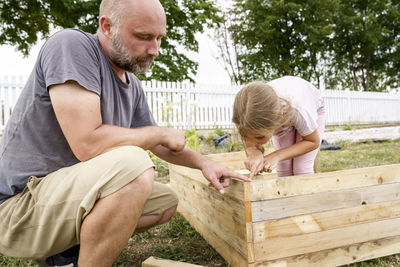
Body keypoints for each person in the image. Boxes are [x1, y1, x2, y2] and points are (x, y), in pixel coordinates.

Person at [0, 0, 250, 266]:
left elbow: (160, 144)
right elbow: (88, 143)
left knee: (164, 202)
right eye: (144, 37)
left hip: (59, 201)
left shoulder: (133, 87)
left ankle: (65, 255)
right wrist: (157, 134)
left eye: (158, 38)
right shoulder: (71, 46)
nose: (154, 50)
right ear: (107, 26)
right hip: (18, 209)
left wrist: (205, 163)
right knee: (134, 165)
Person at [232, 76, 325, 179]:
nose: (251, 141)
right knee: (284, 167)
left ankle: (305, 194)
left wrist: (276, 155)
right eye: (245, 136)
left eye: (259, 137)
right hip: (283, 114)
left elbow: (312, 141)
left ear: (277, 121)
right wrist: (253, 152)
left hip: (310, 109)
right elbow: (250, 142)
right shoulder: (245, 117)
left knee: (301, 168)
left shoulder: (300, 110)